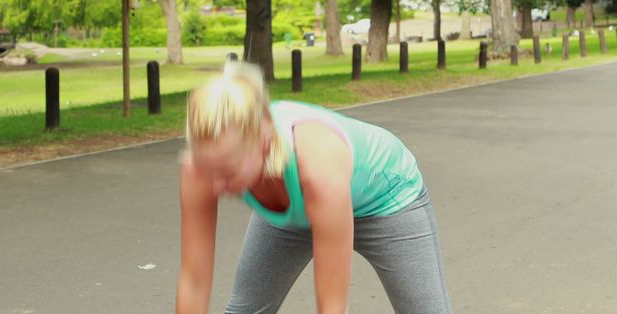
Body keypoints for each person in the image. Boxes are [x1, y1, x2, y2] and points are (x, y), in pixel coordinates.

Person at [176, 62, 452, 313]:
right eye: (208, 169)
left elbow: (332, 306)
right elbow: (194, 281)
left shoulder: (320, 170)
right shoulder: (201, 168)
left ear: (263, 142)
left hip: (386, 198)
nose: (217, 186)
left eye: (228, 171)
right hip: (294, 197)